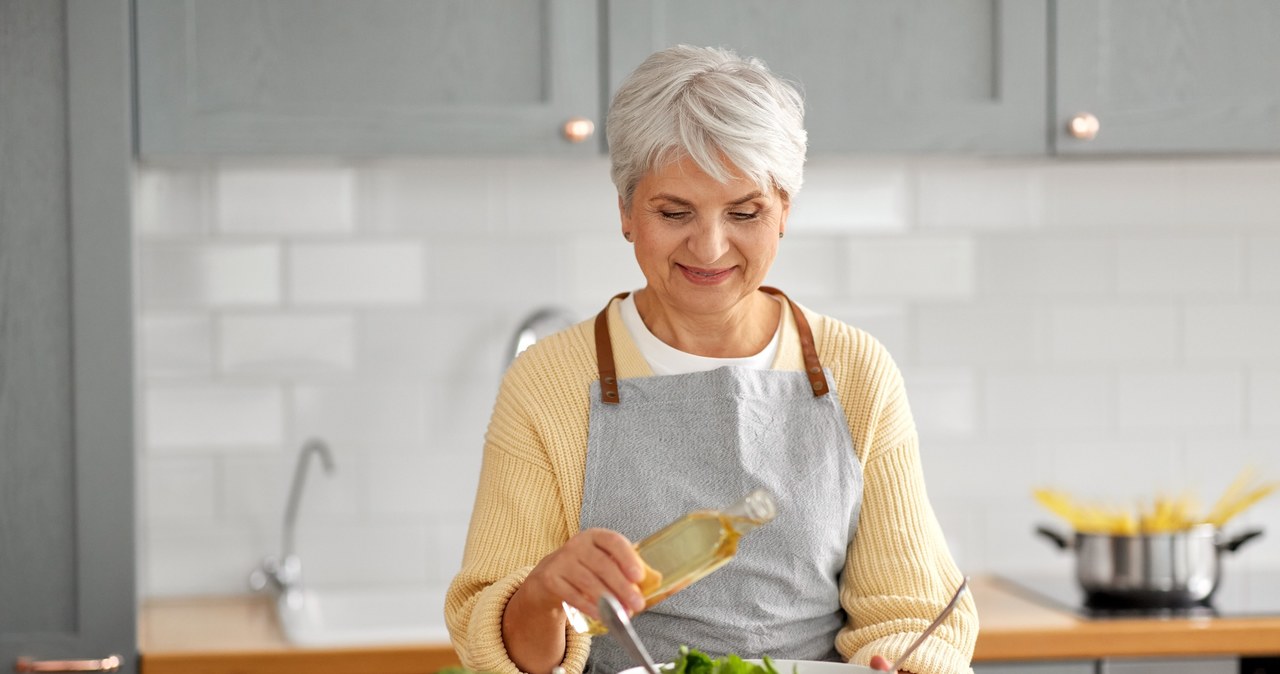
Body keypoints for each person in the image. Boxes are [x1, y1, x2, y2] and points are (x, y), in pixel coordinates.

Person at [445, 45, 978, 674]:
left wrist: (905, 663)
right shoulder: (549, 384)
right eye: (674, 213)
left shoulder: (855, 370)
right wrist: (541, 593)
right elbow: (501, 646)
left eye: (745, 212)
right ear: (625, 212)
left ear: (784, 211)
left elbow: (912, 612)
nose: (710, 245)